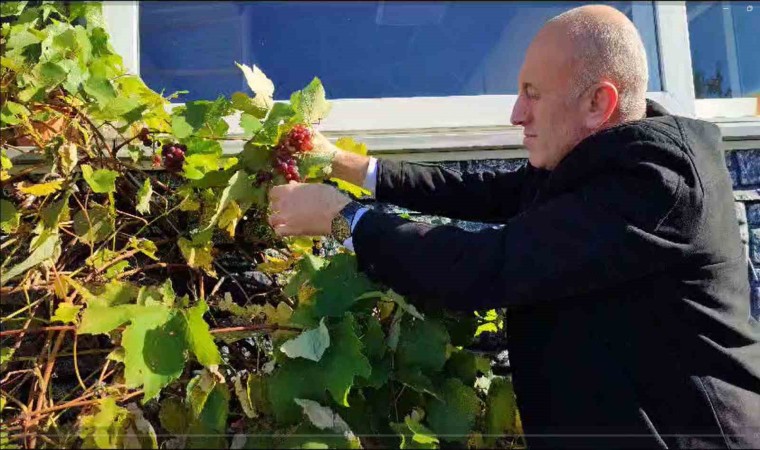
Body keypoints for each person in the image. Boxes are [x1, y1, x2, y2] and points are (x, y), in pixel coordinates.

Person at [268, 5, 760, 448]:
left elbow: (487, 266)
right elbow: (480, 191)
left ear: (598, 104)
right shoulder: (601, 163)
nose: (515, 114)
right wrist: (346, 165)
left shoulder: (657, 187)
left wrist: (345, 220)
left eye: (532, 94)